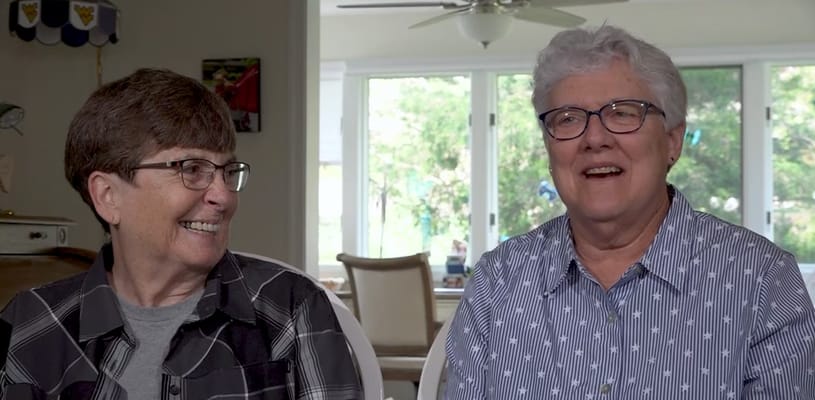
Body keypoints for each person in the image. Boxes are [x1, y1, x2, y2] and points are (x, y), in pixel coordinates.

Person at [445, 25, 815, 398]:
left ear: (672, 141)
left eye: (623, 114)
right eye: (569, 119)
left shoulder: (763, 280)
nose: (594, 139)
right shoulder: (498, 281)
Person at [0, 68, 362, 399]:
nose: (223, 196)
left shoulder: (292, 308)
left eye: (227, 171)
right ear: (108, 197)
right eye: (191, 169)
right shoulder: (31, 323)